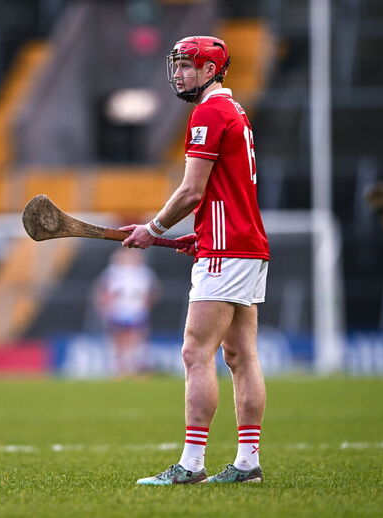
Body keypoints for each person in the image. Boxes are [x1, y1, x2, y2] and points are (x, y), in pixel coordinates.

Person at [122, 36, 270, 484]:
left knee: (194, 352)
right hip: (242, 244)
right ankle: (247, 463)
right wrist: (199, 235)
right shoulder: (235, 110)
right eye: (179, 64)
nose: (180, 73)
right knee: (242, 355)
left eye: (188, 65)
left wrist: (154, 229)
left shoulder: (208, 112)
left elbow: (191, 190)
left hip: (227, 250)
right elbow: (224, 192)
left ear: (211, 70)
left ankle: (191, 465)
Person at [94, 247, 160, 375]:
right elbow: (103, 291)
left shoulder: (144, 273)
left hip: (136, 311)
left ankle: (134, 366)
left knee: (135, 338)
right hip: (118, 310)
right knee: (119, 339)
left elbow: (153, 290)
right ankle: (120, 367)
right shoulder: (113, 272)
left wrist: (146, 304)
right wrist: (106, 306)